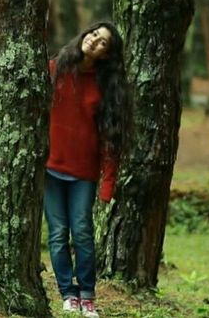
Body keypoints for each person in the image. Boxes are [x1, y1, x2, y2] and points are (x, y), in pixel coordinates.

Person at [45, 21, 129, 317]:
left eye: (103, 41)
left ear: (107, 54)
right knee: (57, 234)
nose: (94, 40)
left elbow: (110, 139)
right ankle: (67, 293)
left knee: (81, 231)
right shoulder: (55, 68)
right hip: (50, 169)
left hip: (84, 173)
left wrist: (108, 184)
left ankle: (87, 295)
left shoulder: (106, 87)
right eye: (93, 34)